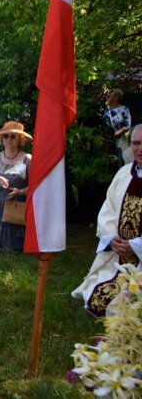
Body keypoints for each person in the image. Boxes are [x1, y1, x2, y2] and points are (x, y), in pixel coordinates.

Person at [72, 124, 142, 317]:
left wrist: (135, 245)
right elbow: (108, 209)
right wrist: (111, 238)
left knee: (126, 307)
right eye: (136, 143)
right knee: (96, 296)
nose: (140, 149)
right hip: (118, 255)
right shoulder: (124, 173)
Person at [0, 121, 32, 252]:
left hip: (17, 210)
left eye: (13, 136)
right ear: (1, 139)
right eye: (5, 136)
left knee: (17, 248)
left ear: (20, 139)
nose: (9, 139)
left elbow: (37, 186)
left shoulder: (27, 159)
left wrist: (21, 191)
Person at [102, 88, 132, 164]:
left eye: (109, 96)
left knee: (121, 162)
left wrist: (115, 134)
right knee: (110, 164)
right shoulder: (105, 111)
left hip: (121, 142)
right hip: (107, 143)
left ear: (116, 98)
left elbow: (127, 126)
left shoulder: (124, 109)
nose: (107, 97)